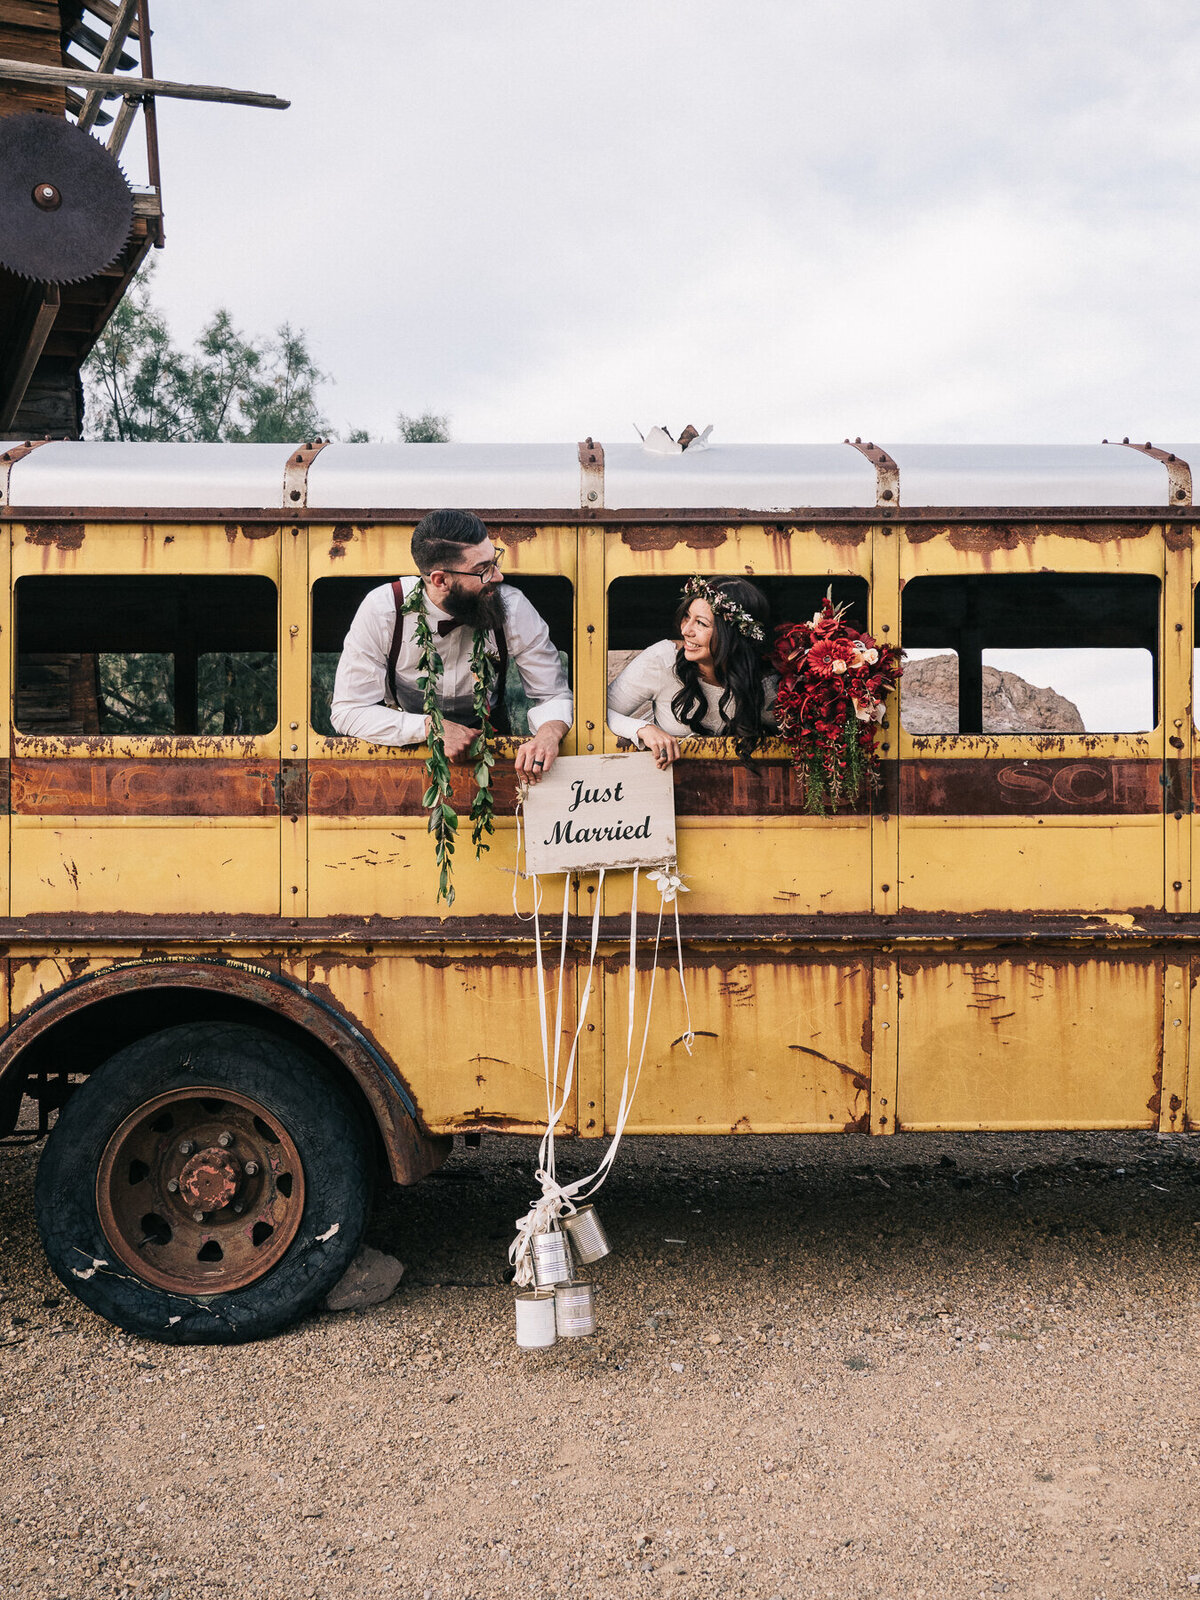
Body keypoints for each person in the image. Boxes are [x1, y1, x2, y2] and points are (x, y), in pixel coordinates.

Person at [330, 508, 572, 781]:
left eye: (495, 562)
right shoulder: (383, 609)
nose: (498, 577)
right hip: (409, 754)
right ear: (440, 580)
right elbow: (347, 711)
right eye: (482, 570)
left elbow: (554, 695)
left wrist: (549, 732)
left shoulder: (513, 607)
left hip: (492, 746)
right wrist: (428, 728)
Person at [607, 575, 773, 767]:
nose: (685, 630)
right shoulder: (662, 660)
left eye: (701, 623)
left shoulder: (767, 682)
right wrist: (642, 728)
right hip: (666, 784)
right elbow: (597, 716)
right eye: (687, 616)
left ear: (732, 635)